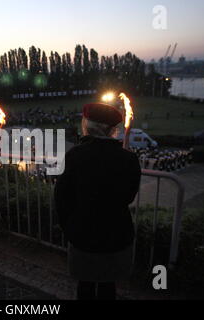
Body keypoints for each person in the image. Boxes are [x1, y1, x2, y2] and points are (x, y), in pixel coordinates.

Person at [54, 103, 141, 300]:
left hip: (83, 234)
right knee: (107, 285)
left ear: (87, 125)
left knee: (85, 284)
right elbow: (129, 197)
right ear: (112, 129)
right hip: (116, 233)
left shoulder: (75, 155)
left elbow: (61, 197)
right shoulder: (129, 159)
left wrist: (69, 228)